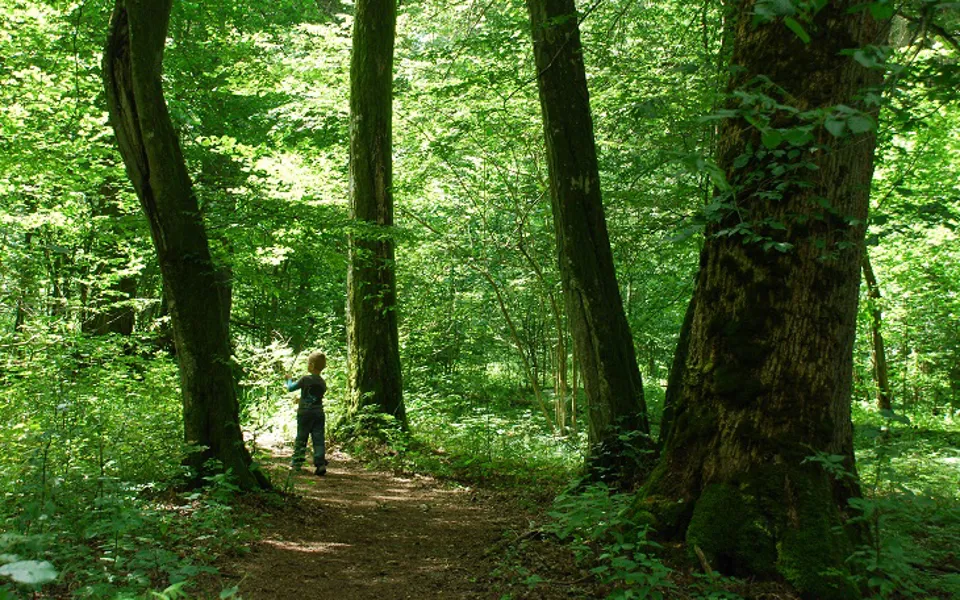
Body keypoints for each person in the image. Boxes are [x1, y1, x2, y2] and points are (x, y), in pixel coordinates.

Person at [284, 351, 328, 476]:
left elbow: (291, 388)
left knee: (302, 437)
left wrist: (288, 380)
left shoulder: (305, 379)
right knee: (318, 439)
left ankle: (296, 463)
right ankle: (320, 464)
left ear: (312, 365)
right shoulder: (322, 383)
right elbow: (315, 396)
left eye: (308, 363)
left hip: (304, 414)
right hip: (319, 413)